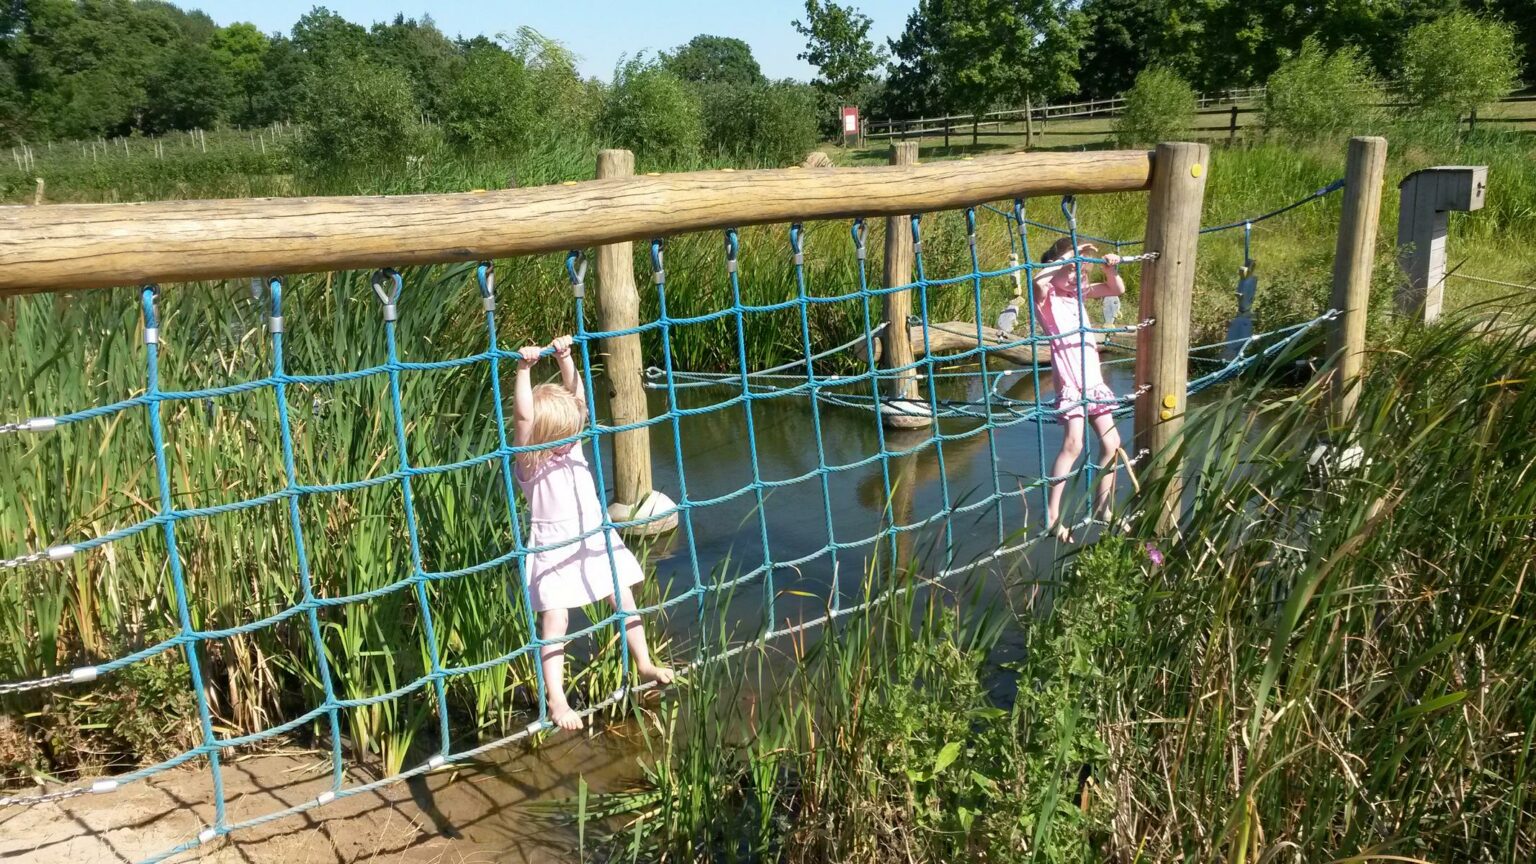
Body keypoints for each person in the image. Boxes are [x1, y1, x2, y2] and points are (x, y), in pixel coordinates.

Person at [513, 335, 673, 730]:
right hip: (553, 545)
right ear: (543, 436)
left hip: (593, 537)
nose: (572, 439)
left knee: (624, 597)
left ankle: (644, 662)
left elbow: (579, 401)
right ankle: (557, 700)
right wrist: (523, 370)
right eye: (563, 434)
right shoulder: (530, 465)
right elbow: (522, 419)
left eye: (573, 432)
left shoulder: (574, 449)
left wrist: (566, 359)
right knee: (556, 622)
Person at [1032, 238, 1127, 542]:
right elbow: (1038, 279)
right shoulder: (1047, 300)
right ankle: (1051, 516)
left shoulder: (1078, 295)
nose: (1075, 275)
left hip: (1094, 382)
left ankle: (1103, 507)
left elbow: (1116, 290)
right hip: (1071, 382)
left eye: (1080, 270)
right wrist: (1071, 255)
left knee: (1113, 443)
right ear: (1055, 268)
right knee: (1073, 444)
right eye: (1069, 269)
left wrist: (1109, 269)